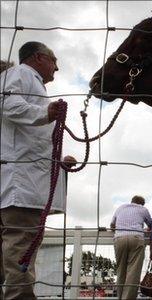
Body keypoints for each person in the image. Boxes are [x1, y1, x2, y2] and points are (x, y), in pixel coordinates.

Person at [0, 41, 76, 299]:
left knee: (20, 248)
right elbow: (8, 106)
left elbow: (31, 138)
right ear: (39, 57)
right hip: (21, 185)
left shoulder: (29, 82)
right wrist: (46, 112)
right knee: (21, 247)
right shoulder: (20, 74)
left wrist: (58, 161)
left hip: (28, 183)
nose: (57, 67)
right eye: (54, 60)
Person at [110, 195, 152, 300]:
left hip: (119, 239)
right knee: (133, 272)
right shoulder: (143, 209)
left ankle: (120, 297)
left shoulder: (120, 208)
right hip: (136, 238)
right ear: (142, 203)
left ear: (132, 201)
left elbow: (112, 225)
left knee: (121, 271)